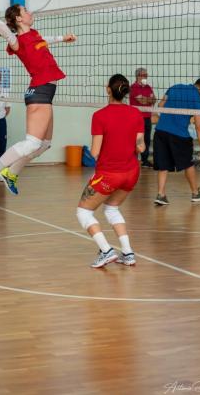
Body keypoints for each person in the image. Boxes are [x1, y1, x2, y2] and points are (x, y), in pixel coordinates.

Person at [0, 5, 76, 195]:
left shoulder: (34, 34)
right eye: (25, 11)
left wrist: (62, 38)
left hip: (46, 93)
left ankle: (11, 173)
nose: (30, 13)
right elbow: (1, 26)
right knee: (32, 143)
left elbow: (43, 40)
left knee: (44, 144)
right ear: (18, 18)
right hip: (39, 92)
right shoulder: (16, 41)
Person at [76, 74, 145, 268]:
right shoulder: (136, 113)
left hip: (109, 174)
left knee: (83, 212)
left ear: (108, 89)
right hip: (131, 172)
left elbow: (95, 152)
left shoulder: (99, 116)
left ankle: (106, 251)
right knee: (112, 208)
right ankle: (128, 253)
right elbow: (141, 147)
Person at [153, 77, 200, 205]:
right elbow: (198, 126)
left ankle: (160, 195)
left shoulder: (175, 87)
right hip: (179, 135)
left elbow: (160, 105)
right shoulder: (196, 99)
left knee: (163, 165)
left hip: (161, 131)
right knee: (188, 164)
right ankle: (196, 193)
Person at [130, 67, 156, 168]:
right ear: (138, 76)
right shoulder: (133, 87)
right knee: (136, 140)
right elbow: (142, 101)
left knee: (146, 139)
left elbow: (154, 100)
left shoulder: (148, 87)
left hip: (147, 117)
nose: (146, 77)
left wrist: (147, 99)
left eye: (146, 75)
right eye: (144, 75)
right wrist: (148, 99)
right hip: (136, 118)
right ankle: (133, 160)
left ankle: (145, 161)